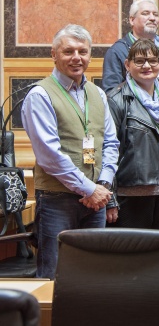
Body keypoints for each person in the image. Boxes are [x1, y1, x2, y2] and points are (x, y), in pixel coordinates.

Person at [21, 24, 119, 278]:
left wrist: (103, 183)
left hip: (95, 202)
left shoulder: (97, 93)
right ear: (54, 54)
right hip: (57, 201)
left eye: (83, 51)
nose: (77, 57)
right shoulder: (40, 95)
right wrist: (90, 189)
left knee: (93, 276)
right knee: (54, 278)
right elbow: (49, 156)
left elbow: (110, 143)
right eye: (69, 51)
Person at [107, 39, 159, 230]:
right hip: (131, 193)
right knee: (133, 258)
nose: (147, 66)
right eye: (139, 61)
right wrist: (110, 199)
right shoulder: (116, 100)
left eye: (152, 60)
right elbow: (108, 151)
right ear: (127, 65)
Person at [102, 0, 159, 93]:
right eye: (145, 13)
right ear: (132, 20)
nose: (152, 18)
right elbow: (111, 92)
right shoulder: (117, 51)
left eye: (155, 14)